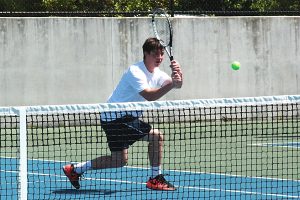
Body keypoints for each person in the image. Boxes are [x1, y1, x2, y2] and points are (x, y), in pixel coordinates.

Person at [63, 37, 183, 191]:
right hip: (116, 117)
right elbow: (150, 95)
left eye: (161, 54)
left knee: (119, 160)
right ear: (146, 53)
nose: (159, 57)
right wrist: (173, 83)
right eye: (155, 54)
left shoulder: (158, 73)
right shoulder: (136, 71)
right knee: (156, 136)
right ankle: (155, 178)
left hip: (116, 118)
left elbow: (177, 85)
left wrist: (178, 75)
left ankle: (74, 169)